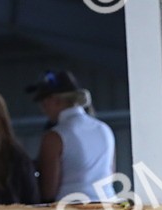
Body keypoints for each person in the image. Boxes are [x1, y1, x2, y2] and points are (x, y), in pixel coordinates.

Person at [25, 70, 115, 203]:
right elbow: (111, 174)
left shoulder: (55, 137)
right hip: (109, 205)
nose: (43, 109)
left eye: (43, 103)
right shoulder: (104, 129)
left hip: (72, 208)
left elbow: (48, 191)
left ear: (54, 100)